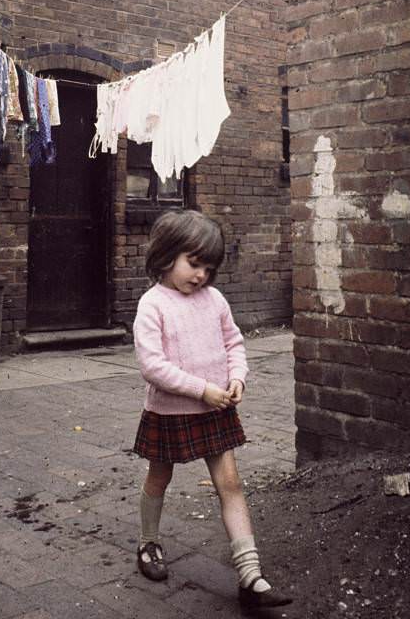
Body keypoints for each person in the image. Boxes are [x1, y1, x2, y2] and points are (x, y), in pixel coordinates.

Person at [132, 209, 293, 614]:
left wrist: (237, 377)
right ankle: (148, 543)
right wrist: (203, 389)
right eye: (194, 263)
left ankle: (250, 575)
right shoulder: (152, 305)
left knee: (231, 483)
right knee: (159, 475)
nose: (201, 274)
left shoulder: (214, 300)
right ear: (167, 256)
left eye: (209, 267)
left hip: (215, 407)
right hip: (171, 411)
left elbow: (234, 344)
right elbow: (153, 366)